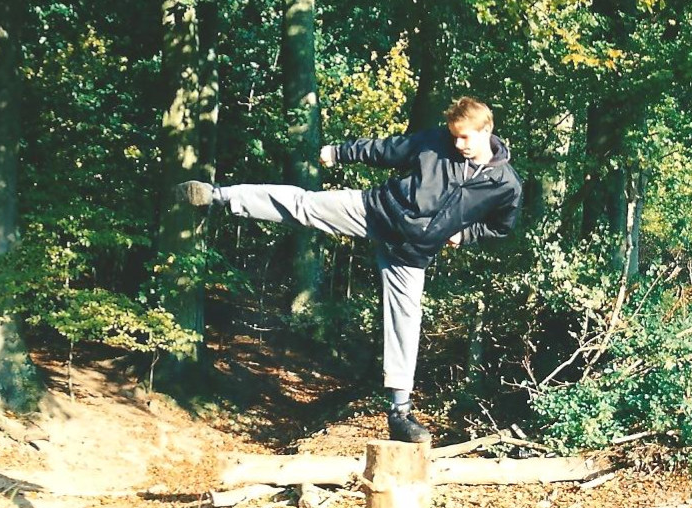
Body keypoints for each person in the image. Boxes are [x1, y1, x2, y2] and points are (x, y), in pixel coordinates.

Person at [176, 96, 523, 443]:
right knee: (306, 204)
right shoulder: (435, 143)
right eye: (455, 136)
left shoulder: (505, 185)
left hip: (412, 251)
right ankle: (218, 195)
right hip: (377, 211)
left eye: (465, 138)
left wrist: (466, 234)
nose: (458, 144)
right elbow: (387, 150)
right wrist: (340, 152)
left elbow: (501, 228)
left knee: (406, 321)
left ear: (486, 130)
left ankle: (400, 413)